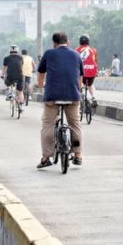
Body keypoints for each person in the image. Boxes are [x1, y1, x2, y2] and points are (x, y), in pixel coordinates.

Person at [36, 32, 83, 168]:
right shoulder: (76, 55)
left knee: (47, 125)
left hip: (52, 96)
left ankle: (46, 158)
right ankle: (78, 155)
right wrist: (77, 91)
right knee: (75, 125)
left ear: (54, 43)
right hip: (73, 96)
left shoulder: (49, 54)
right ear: (67, 42)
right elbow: (80, 78)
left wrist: (41, 86)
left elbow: (41, 74)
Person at [75, 34, 99, 102]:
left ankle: (81, 93)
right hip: (92, 71)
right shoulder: (93, 50)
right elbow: (95, 61)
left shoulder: (77, 49)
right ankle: (94, 97)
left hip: (81, 72)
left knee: (78, 81)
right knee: (90, 84)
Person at [1, 44, 25, 111]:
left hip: (10, 76)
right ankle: (21, 106)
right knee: (20, 92)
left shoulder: (6, 58)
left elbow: (4, 68)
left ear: (10, 51)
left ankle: (9, 93)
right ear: (17, 50)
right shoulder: (21, 58)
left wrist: (2, 75)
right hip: (20, 76)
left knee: (6, 82)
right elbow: (21, 67)